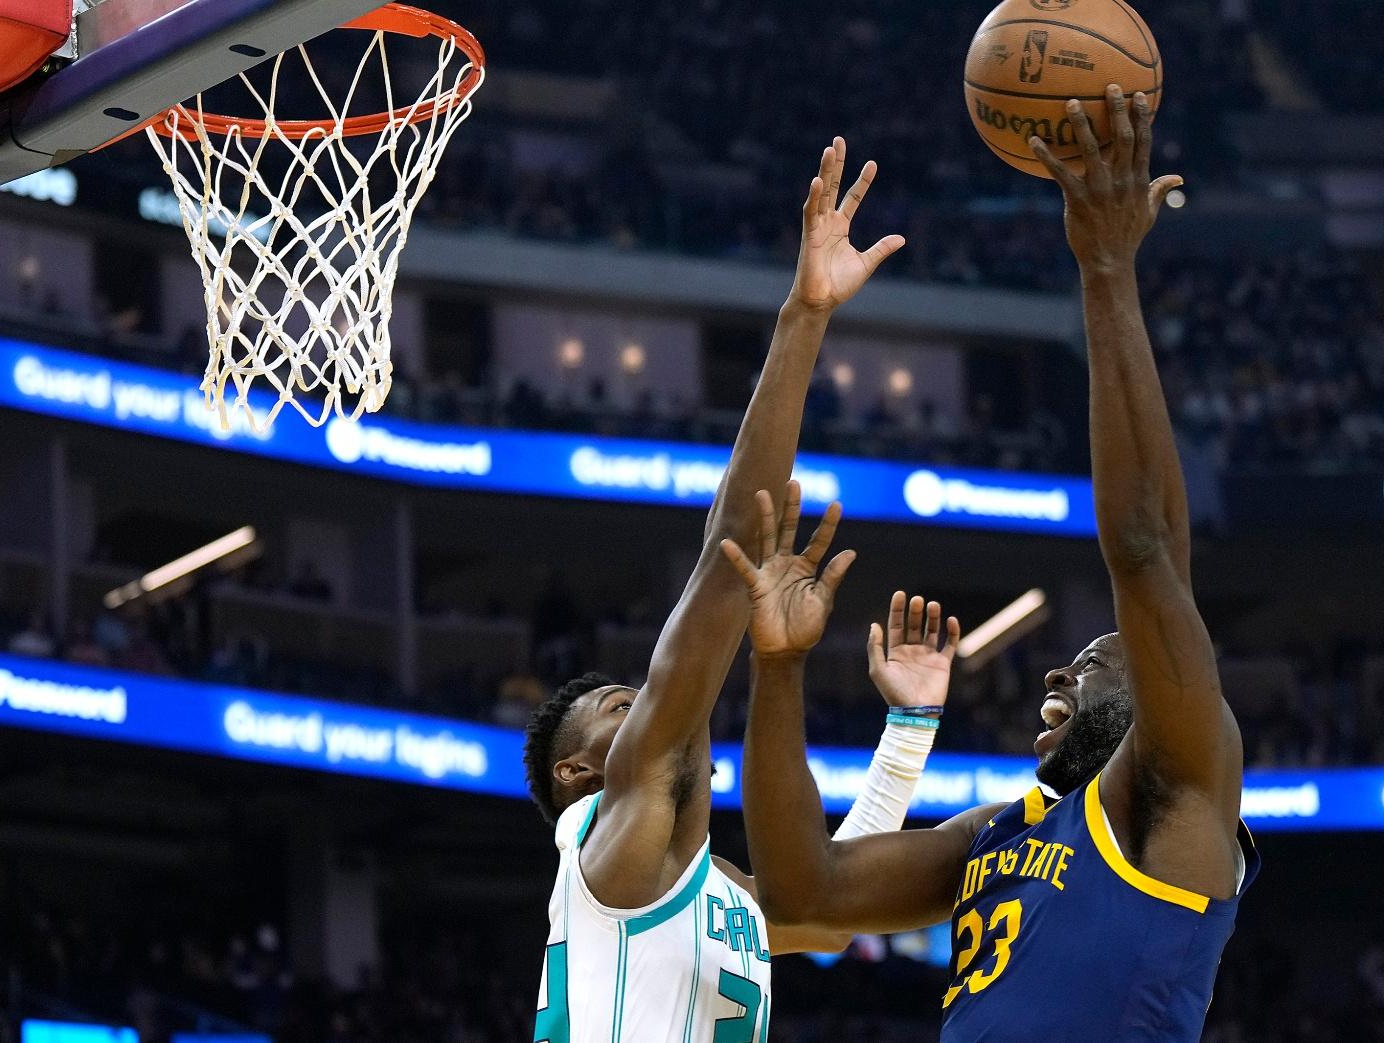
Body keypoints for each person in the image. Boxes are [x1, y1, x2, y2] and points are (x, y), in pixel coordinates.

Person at [728, 90, 1255, 1041]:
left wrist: (1105, 270)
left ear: (1162, 690)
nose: (1057, 670)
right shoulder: (993, 834)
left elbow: (1144, 551)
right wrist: (776, 669)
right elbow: (798, 895)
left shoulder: (1179, 785)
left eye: (1096, 659)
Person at [522, 140, 933, 1043]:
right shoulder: (614, 837)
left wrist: (906, 733)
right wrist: (805, 315)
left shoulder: (714, 891)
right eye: (622, 707)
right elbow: (728, 556)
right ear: (580, 774)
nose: (651, 705)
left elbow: (828, 904)